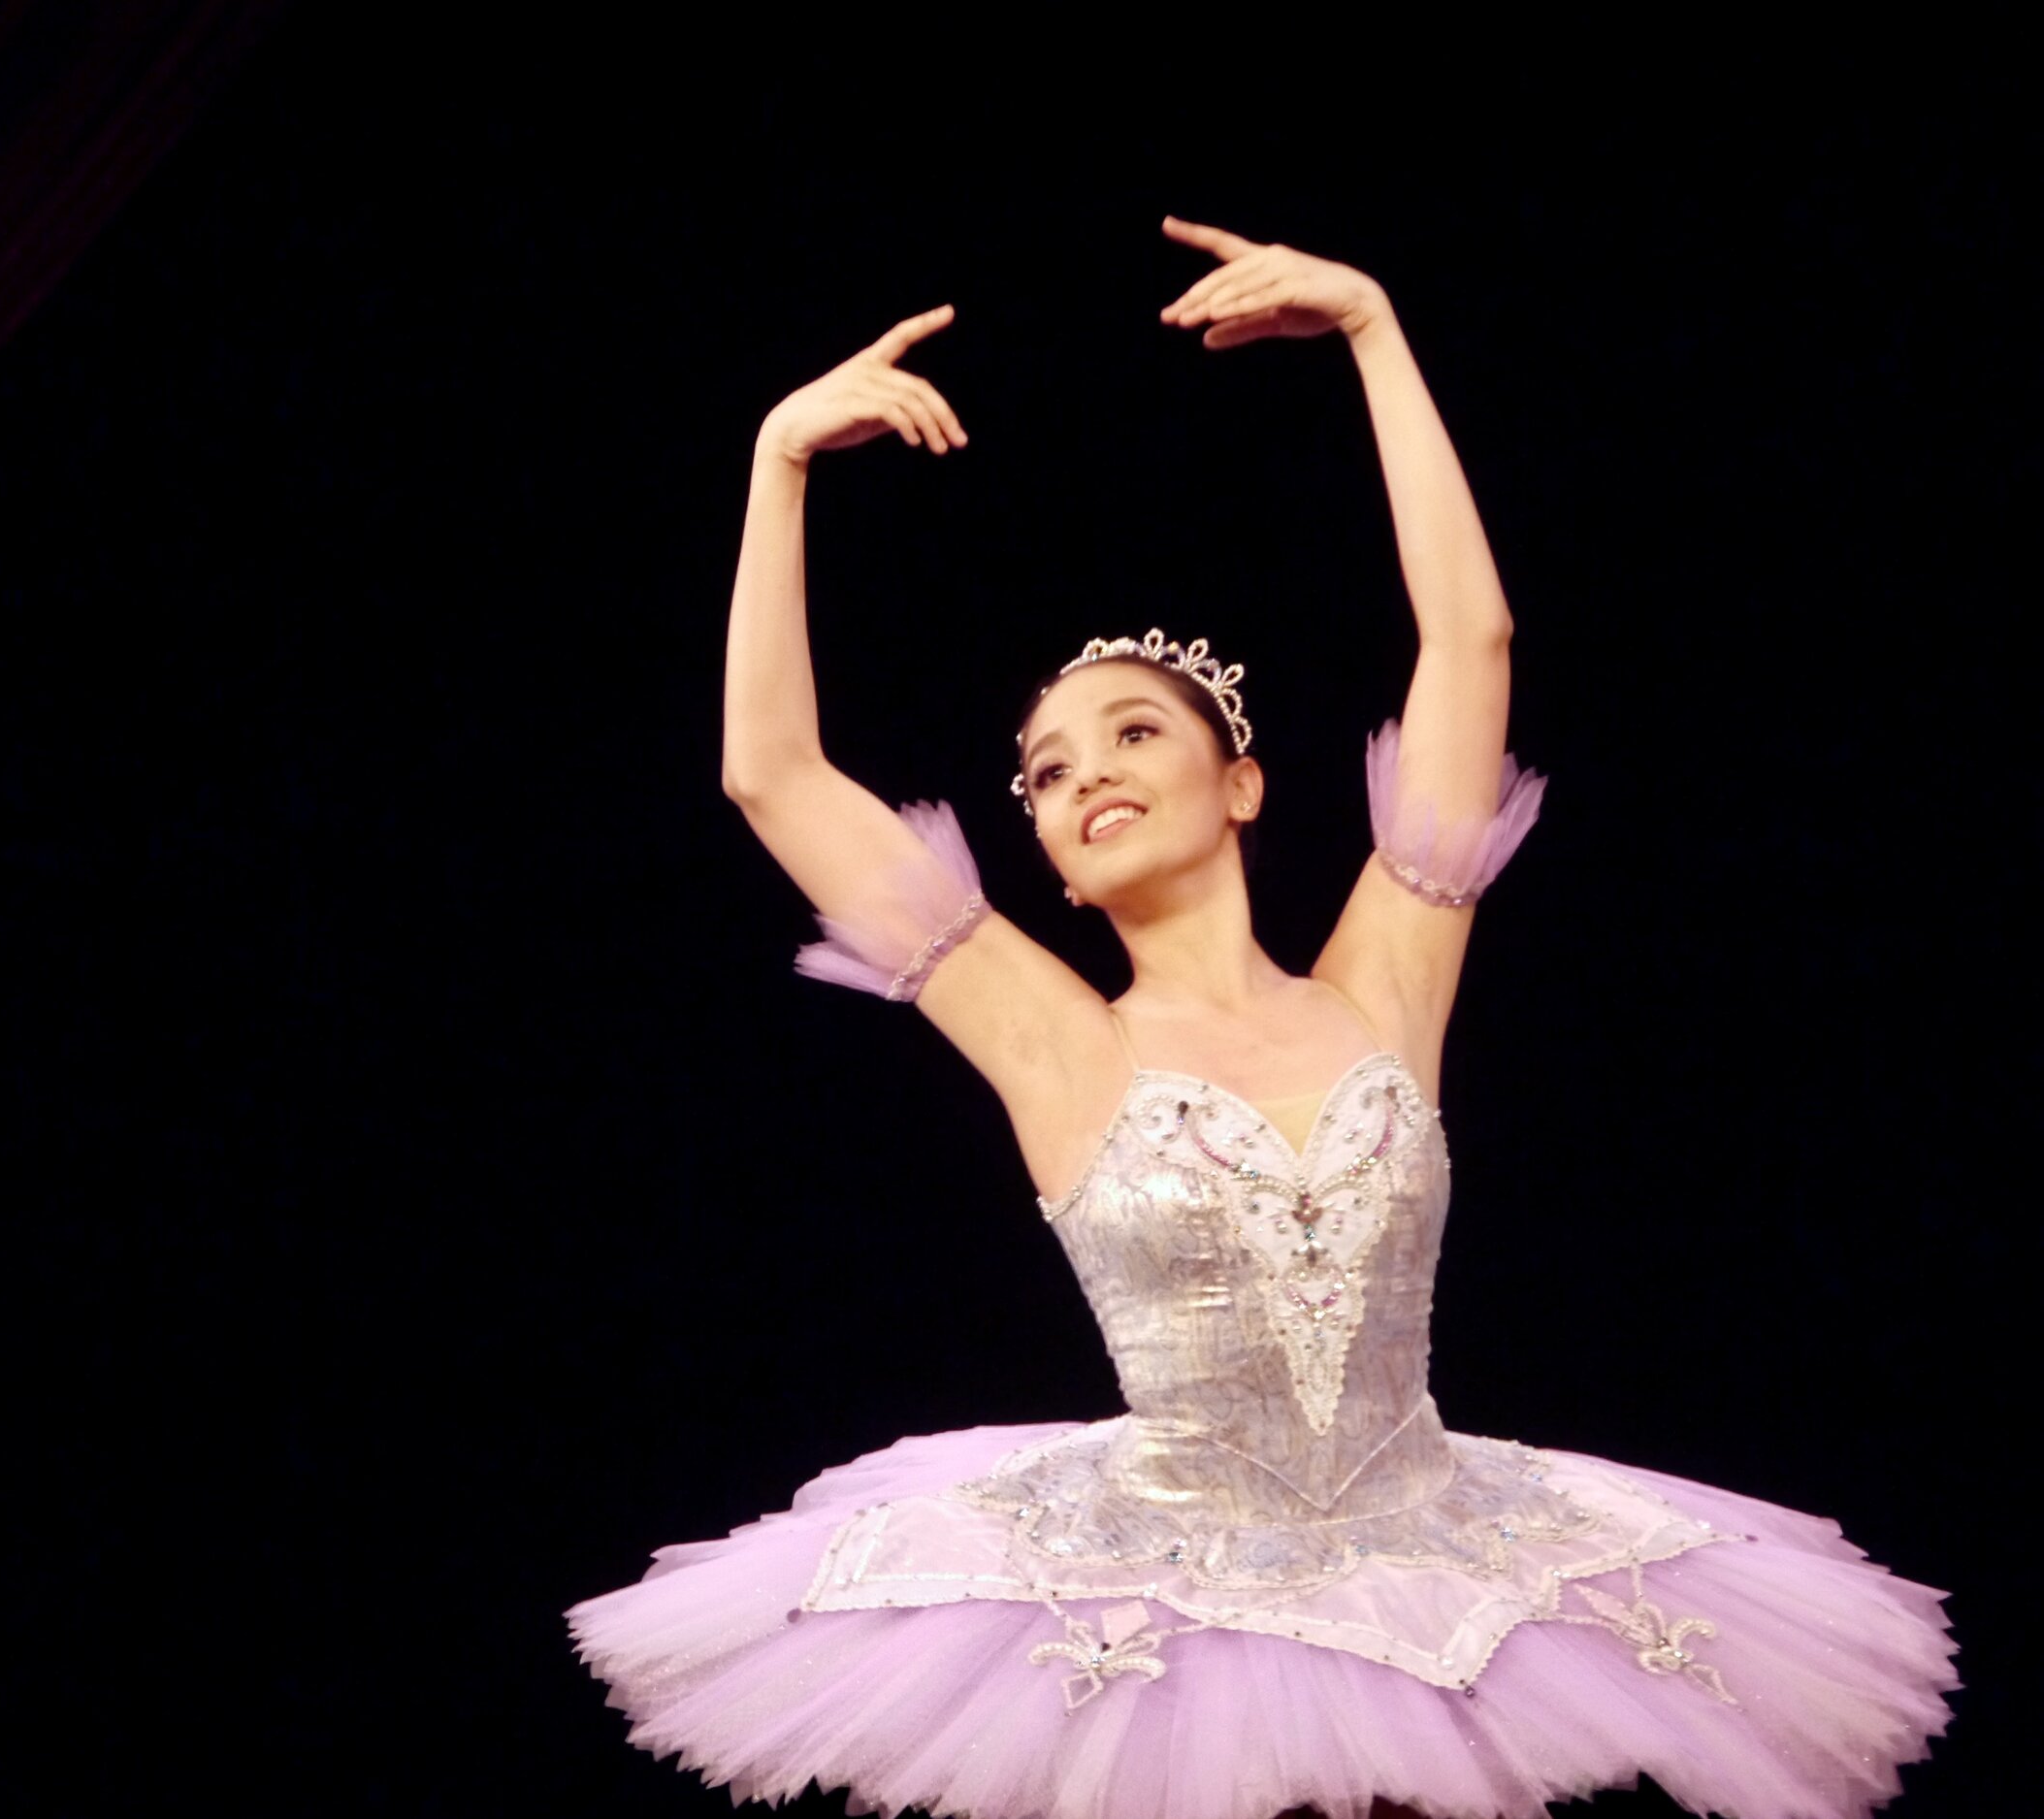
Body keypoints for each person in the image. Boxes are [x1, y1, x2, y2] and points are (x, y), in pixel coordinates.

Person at [567, 219, 1956, 1819]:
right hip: (1175, 1617)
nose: (1083, 774)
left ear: (1238, 785)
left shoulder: (1386, 979)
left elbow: (1472, 646)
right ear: (1056, 867)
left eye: (1130, 733)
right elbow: (774, 777)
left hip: (1443, 1569)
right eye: (1047, 770)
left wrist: (1373, 328)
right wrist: (775, 466)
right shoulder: (1054, 1037)